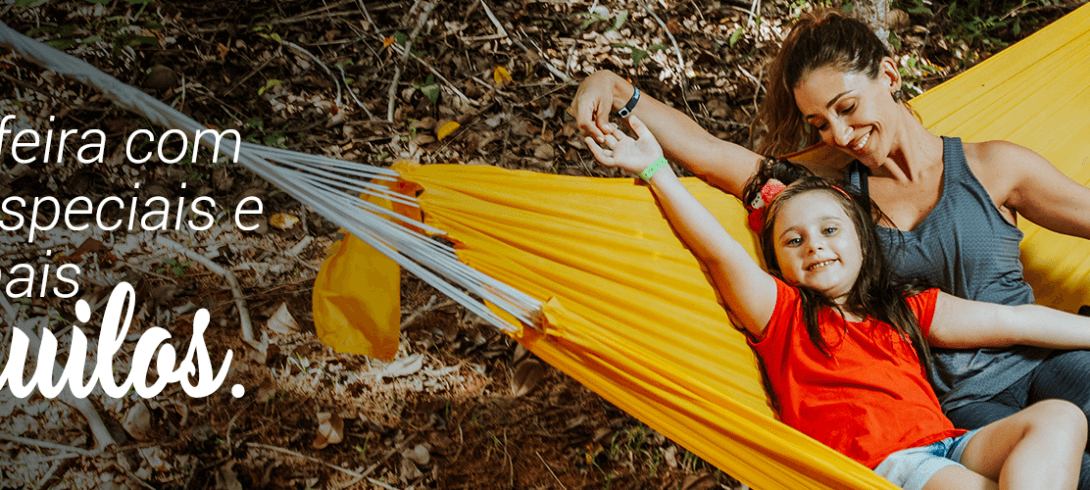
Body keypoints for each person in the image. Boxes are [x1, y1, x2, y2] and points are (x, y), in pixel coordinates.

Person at [571, 10, 1090, 488]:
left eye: (846, 107)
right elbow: (709, 154)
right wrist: (618, 89)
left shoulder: (995, 167)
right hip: (963, 409)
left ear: (889, 77)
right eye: (820, 124)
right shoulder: (830, 200)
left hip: (1048, 358)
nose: (841, 134)